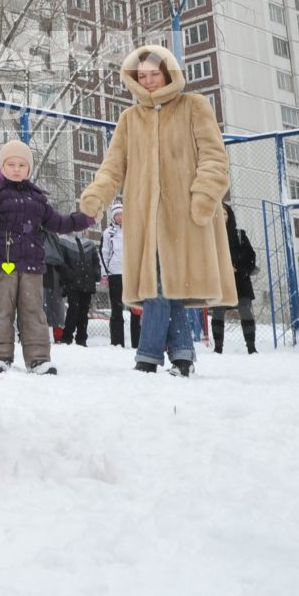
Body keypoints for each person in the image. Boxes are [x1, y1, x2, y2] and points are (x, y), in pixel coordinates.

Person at [79, 45, 235, 377]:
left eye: (155, 74)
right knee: (165, 284)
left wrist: (205, 195)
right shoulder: (129, 118)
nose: (149, 81)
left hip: (187, 214)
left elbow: (213, 155)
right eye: (143, 76)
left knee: (165, 285)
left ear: (169, 73)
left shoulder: (194, 106)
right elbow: (113, 166)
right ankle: (181, 356)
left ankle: (148, 358)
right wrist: (98, 194)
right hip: (145, 220)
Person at [0, 140, 92, 374]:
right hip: (3, 265)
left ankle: (38, 357)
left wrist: (84, 219)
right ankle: (0, 356)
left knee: (33, 311)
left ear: (29, 169)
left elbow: (58, 222)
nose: (16, 169)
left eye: (22, 165)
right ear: (2, 166)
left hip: (31, 266)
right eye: (11, 164)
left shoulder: (36, 198)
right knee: (1, 309)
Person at [212, 200, 260, 354]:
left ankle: (251, 347)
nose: (222, 216)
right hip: (220, 279)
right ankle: (218, 348)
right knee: (218, 311)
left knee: (245, 309)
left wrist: (239, 269)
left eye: (225, 213)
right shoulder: (209, 235)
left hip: (240, 279)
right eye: (219, 213)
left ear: (230, 216)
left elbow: (250, 256)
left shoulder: (240, 235)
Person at [59, 225, 102, 347]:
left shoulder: (89, 243)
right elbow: (61, 262)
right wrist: (69, 275)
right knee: (73, 310)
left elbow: (96, 261)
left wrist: (96, 273)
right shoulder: (64, 240)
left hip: (87, 283)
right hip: (72, 283)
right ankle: (67, 337)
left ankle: (82, 338)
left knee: (84, 312)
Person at [99, 203, 133, 346]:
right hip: (114, 273)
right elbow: (103, 253)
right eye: (117, 215)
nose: (120, 218)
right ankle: (117, 342)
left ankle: (137, 342)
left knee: (135, 309)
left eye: (122, 215)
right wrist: (104, 274)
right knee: (117, 308)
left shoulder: (131, 231)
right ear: (113, 216)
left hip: (130, 274)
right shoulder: (108, 233)